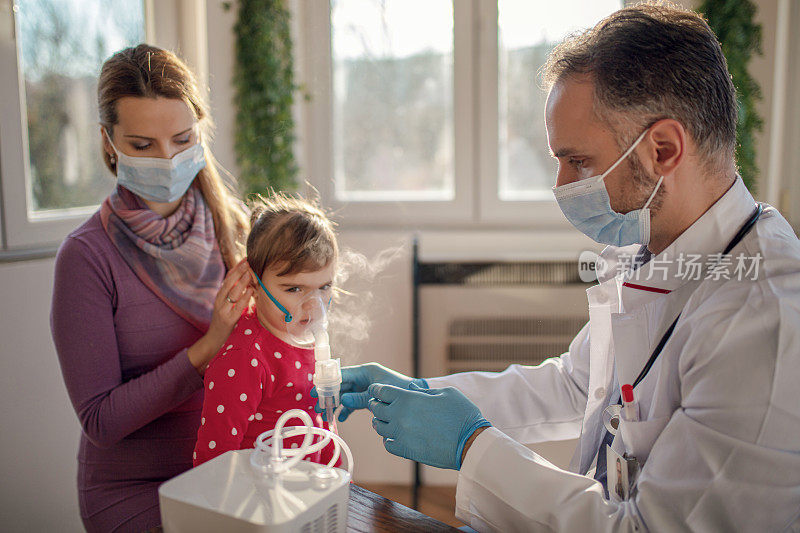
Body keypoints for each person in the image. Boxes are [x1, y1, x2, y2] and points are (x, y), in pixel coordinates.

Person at [314, 3, 800, 531]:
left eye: (580, 161)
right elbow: (575, 385)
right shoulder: (655, 250)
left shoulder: (762, 323)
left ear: (662, 148)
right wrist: (423, 393)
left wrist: (471, 446)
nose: (562, 186)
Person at [50, 44, 252, 532]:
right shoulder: (86, 257)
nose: (167, 159)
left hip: (230, 469)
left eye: (182, 139)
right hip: (134, 489)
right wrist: (208, 348)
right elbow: (101, 421)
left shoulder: (233, 227)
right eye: (142, 145)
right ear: (108, 142)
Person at [194, 193, 339, 467]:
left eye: (324, 287)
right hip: (260, 499)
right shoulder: (246, 357)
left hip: (308, 493)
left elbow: (323, 426)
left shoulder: (307, 339)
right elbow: (212, 462)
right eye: (294, 289)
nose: (314, 306)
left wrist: (341, 484)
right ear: (254, 282)